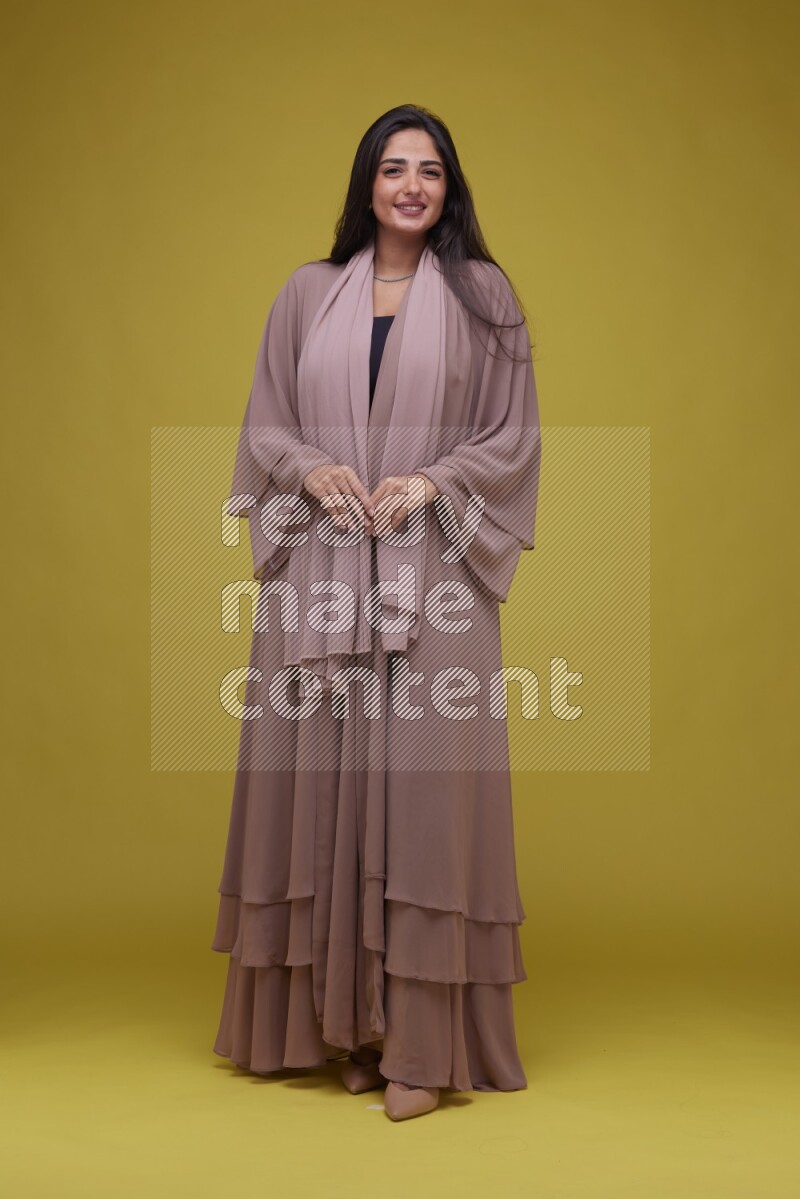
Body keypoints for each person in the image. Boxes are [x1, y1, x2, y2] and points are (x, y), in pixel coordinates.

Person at [211, 103, 542, 1122]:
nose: (409, 184)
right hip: (321, 565)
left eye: (428, 170)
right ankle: (344, 1026)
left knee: (424, 797)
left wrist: (432, 480)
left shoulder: (484, 298)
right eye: (392, 167)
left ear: (449, 189)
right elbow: (268, 420)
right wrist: (309, 468)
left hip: (430, 572)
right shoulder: (306, 294)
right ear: (365, 184)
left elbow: (510, 433)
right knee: (324, 787)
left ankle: (421, 1046)